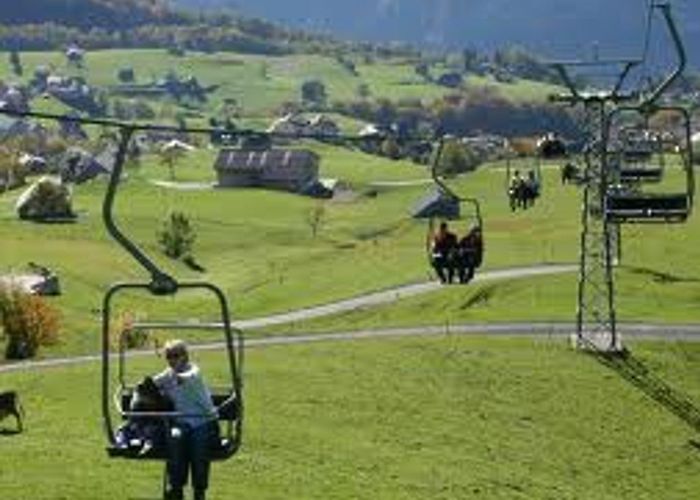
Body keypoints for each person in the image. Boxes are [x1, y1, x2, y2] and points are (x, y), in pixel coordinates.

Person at [155, 340, 220, 500]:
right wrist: (147, 387)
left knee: (199, 446)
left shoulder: (193, 371)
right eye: (168, 356)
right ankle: (176, 488)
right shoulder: (169, 373)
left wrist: (179, 378)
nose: (172, 360)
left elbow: (189, 376)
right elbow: (153, 382)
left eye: (175, 356)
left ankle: (199, 491)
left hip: (204, 421)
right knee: (175, 438)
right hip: (182, 423)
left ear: (184, 356)